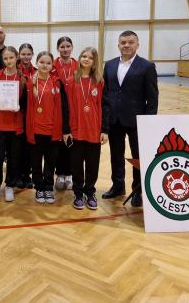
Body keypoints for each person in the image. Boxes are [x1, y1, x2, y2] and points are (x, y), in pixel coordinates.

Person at [101, 30, 158, 207]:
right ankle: (118, 186)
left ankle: (138, 191)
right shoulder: (109, 65)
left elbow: (153, 98)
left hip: (137, 121)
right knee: (116, 156)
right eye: (123, 42)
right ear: (118, 45)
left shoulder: (147, 66)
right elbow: (105, 94)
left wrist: (149, 123)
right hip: (114, 120)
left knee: (138, 158)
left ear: (137, 44)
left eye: (130, 42)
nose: (126, 45)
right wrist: (105, 120)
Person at [63, 47, 109, 210]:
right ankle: (77, 193)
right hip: (76, 130)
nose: (86, 59)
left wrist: (104, 130)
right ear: (79, 58)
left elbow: (104, 105)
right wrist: (66, 130)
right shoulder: (70, 81)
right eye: (83, 56)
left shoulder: (99, 81)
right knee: (76, 164)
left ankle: (90, 192)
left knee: (92, 165)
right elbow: (66, 107)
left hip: (94, 130)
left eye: (90, 57)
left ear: (94, 61)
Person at [25, 51, 68, 204]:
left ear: (52, 65)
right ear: (36, 63)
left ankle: (48, 187)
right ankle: (39, 188)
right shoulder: (29, 81)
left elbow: (63, 107)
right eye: (42, 62)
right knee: (36, 162)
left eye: (48, 63)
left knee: (51, 161)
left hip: (52, 129)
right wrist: (32, 84)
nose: (45, 65)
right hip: (35, 129)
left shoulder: (57, 82)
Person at [0, 46, 27, 202]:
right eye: (5, 58)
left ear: (17, 58)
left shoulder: (23, 78)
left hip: (16, 124)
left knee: (13, 157)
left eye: (11, 58)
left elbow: (27, 101)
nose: (8, 61)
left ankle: (10, 185)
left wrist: (20, 105)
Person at [52, 36, 77, 191]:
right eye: (62, 46)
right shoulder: (52, 66)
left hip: (75, 109)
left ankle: (69, 174)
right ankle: (59, 174)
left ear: (72, 47)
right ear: (58, 49)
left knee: (72, 143)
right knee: (58, 143)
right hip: (58, 109)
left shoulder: (79, 65)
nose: (65, 49)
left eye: (68, 46)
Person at [17, 43, 36, 189]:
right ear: (19, 55)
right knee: (18, 146)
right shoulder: (14, 71)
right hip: (17, 113)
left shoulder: (37, 72)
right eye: (23, 54)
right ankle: (17, 175)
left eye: (28, 54)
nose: (26, 57)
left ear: (32, 55)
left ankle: (27, 175)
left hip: (32, 114)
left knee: (30, 146)